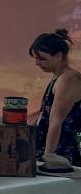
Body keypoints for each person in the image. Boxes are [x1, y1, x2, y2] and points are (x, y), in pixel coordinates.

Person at [30, 29, 81, 166]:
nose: (37, 63)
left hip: (64, 152)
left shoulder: (68, 79)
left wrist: (49, 157)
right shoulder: (58, 77)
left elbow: (55, 121)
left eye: (41, 59)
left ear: (59, 55)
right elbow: (45, 112)